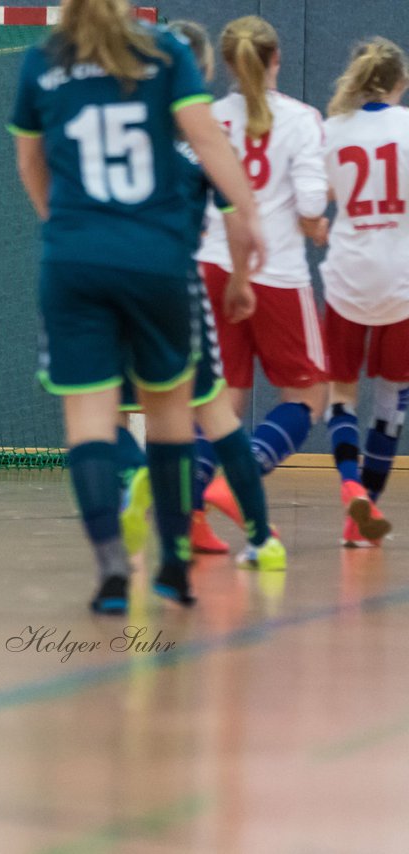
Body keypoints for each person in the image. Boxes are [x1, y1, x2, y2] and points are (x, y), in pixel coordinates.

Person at [8, 0, 265, 613]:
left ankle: (111, 570)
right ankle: (175, 564)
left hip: (74, 258)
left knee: (90, 422)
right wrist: (249, 215)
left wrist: (64, 226)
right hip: (157, 260)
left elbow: (29, 163)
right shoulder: (164, 50)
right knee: (171, 412)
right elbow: (206, 141)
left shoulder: (41, 60)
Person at [115, 20, 284, 571]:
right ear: (202, 70)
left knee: (108, 414)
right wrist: (239, 281)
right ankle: (262, 539)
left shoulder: (122, 123)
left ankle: (135, 487)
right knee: (216, 415)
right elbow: (238, 222)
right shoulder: (210, 135)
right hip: (174, 281)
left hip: (113, 278)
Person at [195, 17, 331, 525]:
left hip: (212, 263)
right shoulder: (300, 119)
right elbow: (314, 199)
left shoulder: (206, 118)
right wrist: (311, 219)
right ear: (276, 58)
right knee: (307, 395)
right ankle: (240, 479)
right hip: (274, 273)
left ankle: (187, 505)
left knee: (219, 400)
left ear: (227, 63)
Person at [320, 37, 409, 546]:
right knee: (393, 399)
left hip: (349, 278)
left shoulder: (333, 130)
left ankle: (350, 484)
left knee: (341, 394)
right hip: (399, 279)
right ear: (400, 81)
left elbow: (316, 198)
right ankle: (362, 519)